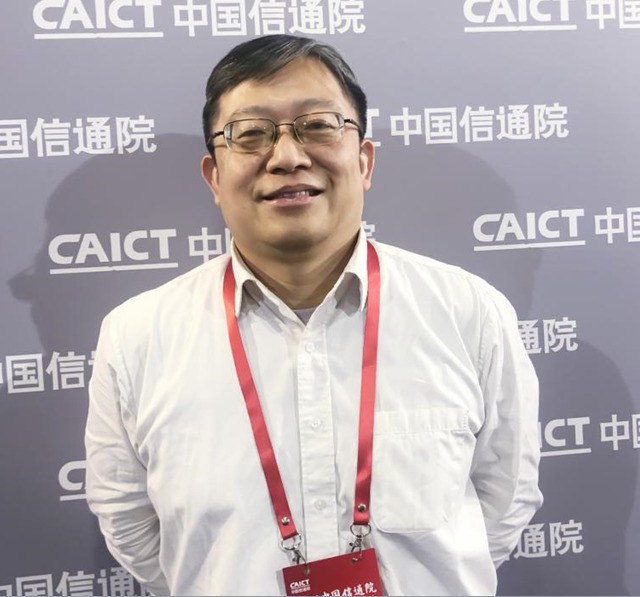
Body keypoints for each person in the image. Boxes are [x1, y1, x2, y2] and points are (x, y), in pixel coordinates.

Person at [85, 34, 542, 596]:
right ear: (214, 177)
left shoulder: (469, 312)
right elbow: (132, 525)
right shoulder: (137, 337)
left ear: (364, 160)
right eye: (250, 134)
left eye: (318, 125)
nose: (287, 157)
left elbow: (504, 497)